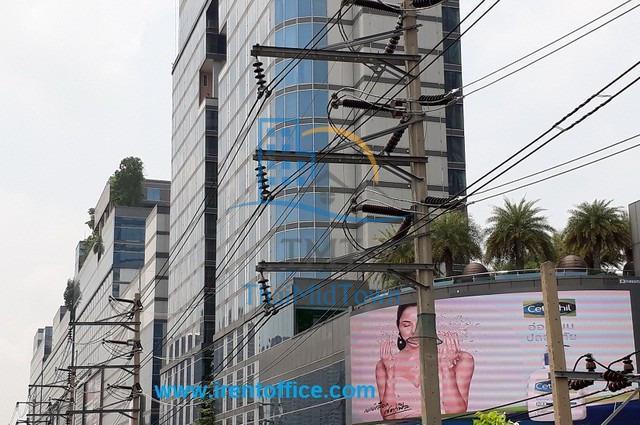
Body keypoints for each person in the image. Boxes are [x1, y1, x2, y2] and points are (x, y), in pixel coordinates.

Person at [375, 303, 474, 419]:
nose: (414, 332)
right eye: (406, 325)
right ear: (398, 327)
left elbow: (456, 412)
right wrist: (390, 372)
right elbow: (388, 417)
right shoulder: (384, 364)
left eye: (420, 325)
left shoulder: (462, 359)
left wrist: (447, 369)